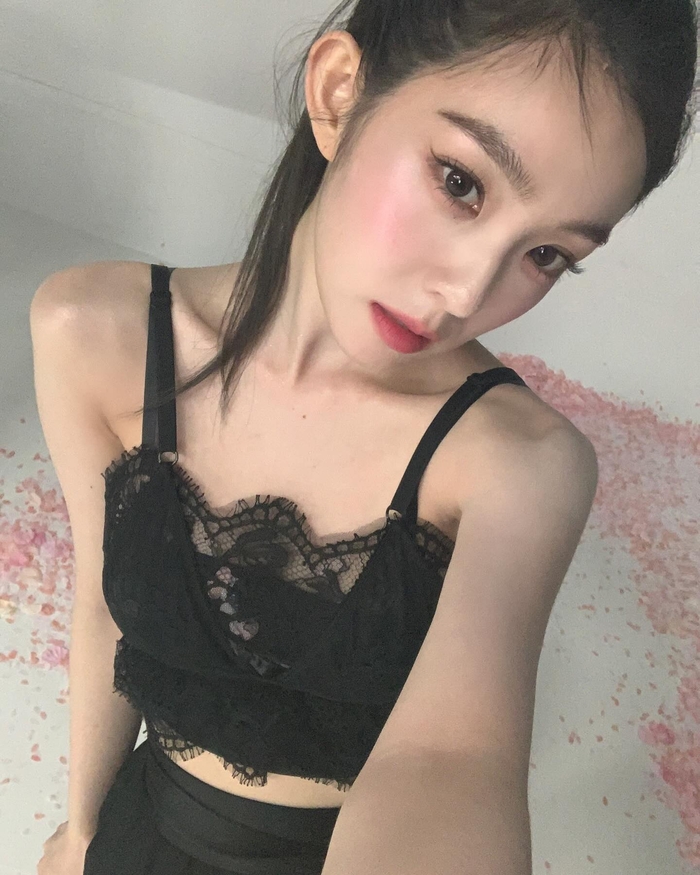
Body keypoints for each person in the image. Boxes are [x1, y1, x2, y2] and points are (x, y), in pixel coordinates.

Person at [32, 1, 696, 873]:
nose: (467, 292)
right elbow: (101, 606)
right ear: (340, 92)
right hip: (144, 832)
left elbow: (454, 761)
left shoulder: (523, 466)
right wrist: (80, 830)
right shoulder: (93, 333)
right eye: (460, 182)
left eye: (547, 255)